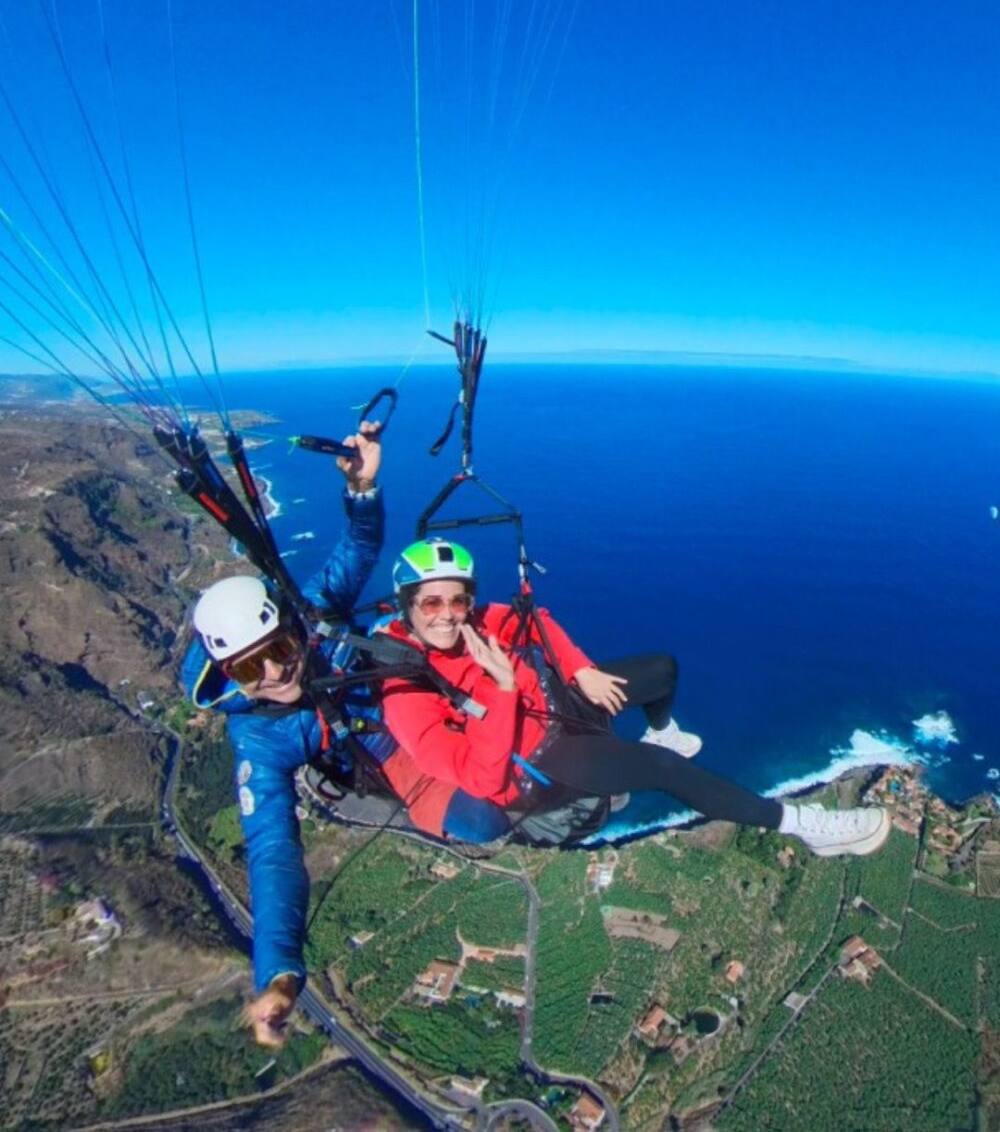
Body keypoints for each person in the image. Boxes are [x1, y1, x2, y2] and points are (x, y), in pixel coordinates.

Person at [183, 426, 503, 1047]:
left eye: (276, 650)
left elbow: (359, 547)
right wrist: (278, 973)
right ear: (229, 676)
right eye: (251, 668)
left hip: (427, 713)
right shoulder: (258, 737)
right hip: (396, 767)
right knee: (488, 820)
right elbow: (273, 851)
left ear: (291, 632)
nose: (275, 673)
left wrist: (363, 490)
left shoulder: (318, 619)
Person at [380, 538, 891, 857]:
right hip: (534, 758)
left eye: (457, 599)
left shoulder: (478, 619)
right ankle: (806, 826)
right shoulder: (406, 690)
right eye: (431, 602)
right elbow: (481, 777)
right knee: (662, 771)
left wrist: (581, 671)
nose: (447, 614)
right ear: (407, 606)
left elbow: (540, 622)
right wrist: (503, 687)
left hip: (558, 707)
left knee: (660, 670)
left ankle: (662, 731)